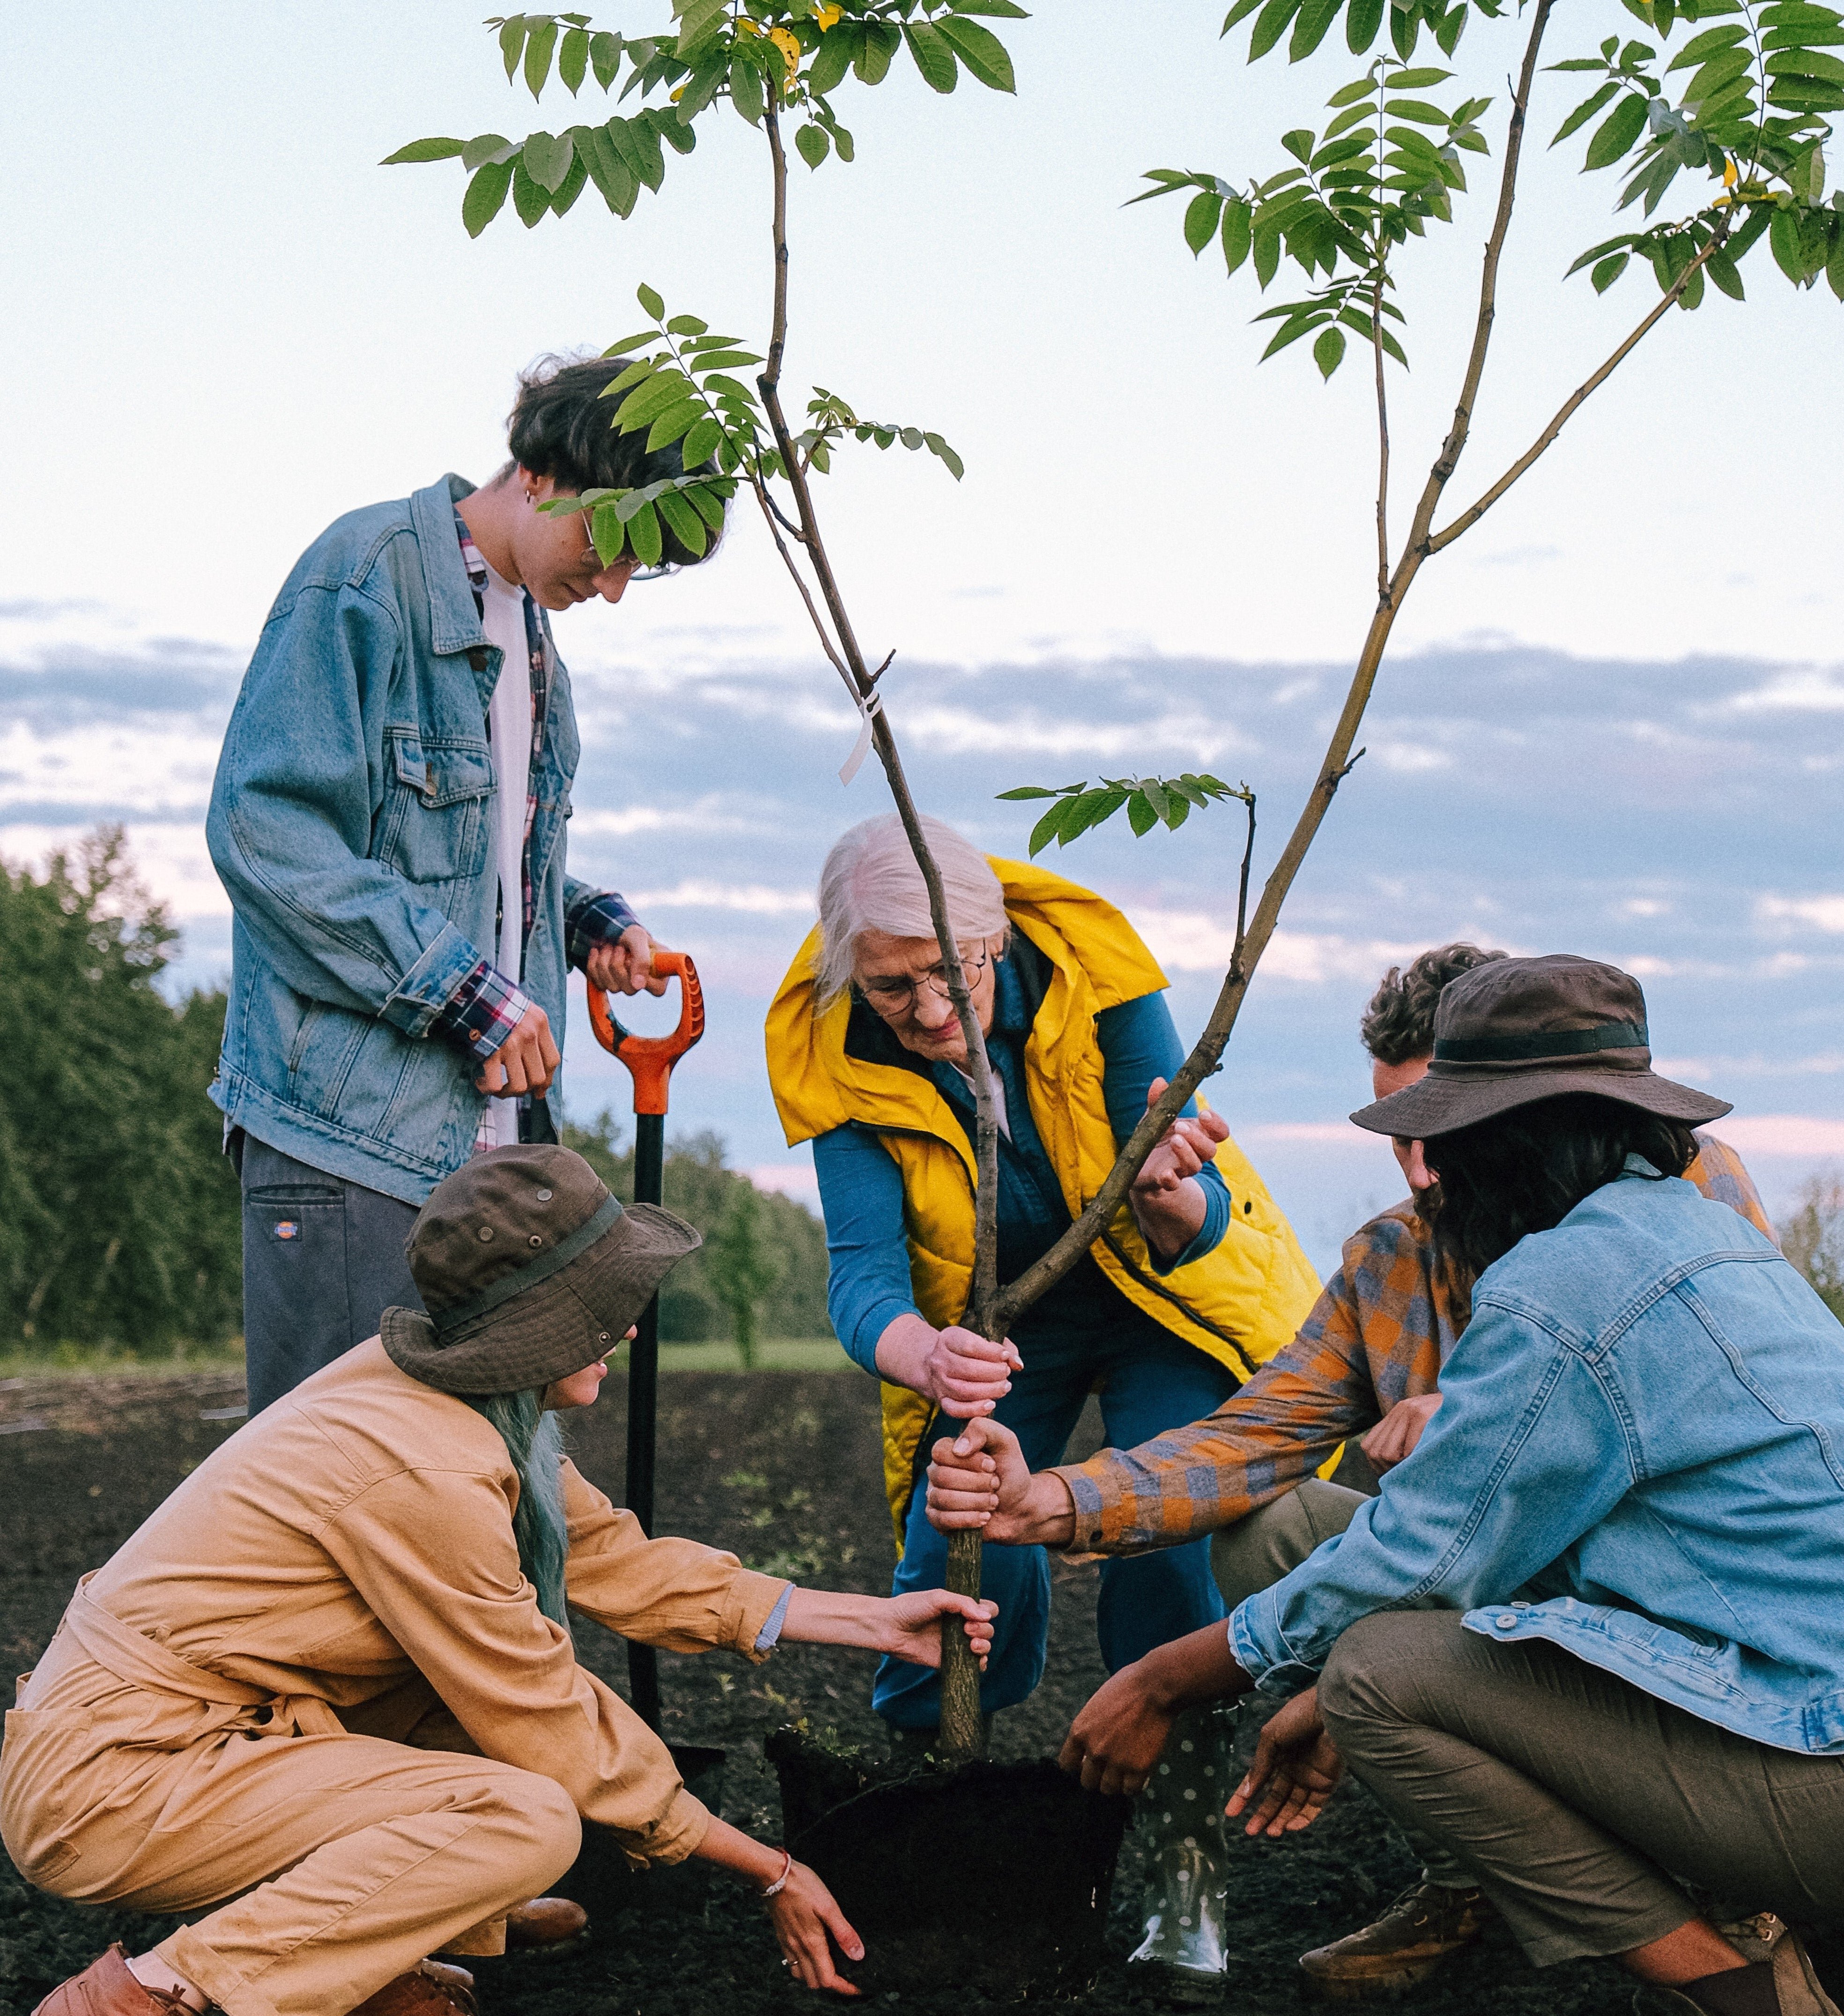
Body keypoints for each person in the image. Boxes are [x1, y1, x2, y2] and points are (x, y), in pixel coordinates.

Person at [924, 941, 1776, 1997]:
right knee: (1269, 1529)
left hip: (1674, 1610)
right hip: (1478, 1596)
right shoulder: (1392, 1258)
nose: (1425, 1167)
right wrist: (1050, 1497)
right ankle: (1469, 1871)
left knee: (1377, 1668)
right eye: (1403, 1133)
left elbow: (1701, 1421)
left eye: (1445, 1128)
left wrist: (1477, 1414)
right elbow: (1251, 1437)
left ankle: (1734, 1907)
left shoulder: (1682, 1194)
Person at [3, 1147, 995, 2016]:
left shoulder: (464, 1402)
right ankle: (149, 1995)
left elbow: (617, 1557)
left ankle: (368, 1953)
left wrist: (874, 1621)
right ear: (540, 1325)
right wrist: (767, 1865)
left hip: (214, 1730)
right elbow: (541, 1707)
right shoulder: (424, 1466)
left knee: (465, 1725)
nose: (630, 1331)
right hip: (115, 1777)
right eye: (608, 1311)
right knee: (525, 1813)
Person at [207, 356, 701, 1418]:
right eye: (612, 546)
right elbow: (270, 830)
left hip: (493, 1148)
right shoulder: (366, 574)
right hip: (350, 1139)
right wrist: (464, 993)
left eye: (643, 570)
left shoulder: (533, 638)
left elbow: (477, 864)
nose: (614, 587)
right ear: (539, 470)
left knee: (488, 1490)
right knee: (346, 1491)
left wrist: (581, 919)